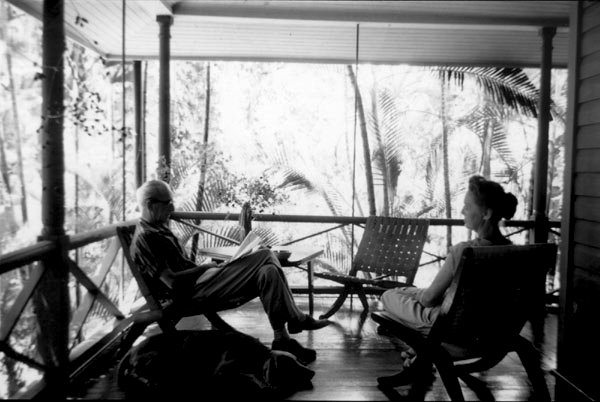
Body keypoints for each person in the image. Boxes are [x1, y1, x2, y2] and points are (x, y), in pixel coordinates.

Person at [130, 179, 331, 365]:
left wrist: (208, 269)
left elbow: (179, 269)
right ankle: (297, 319)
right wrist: (203, 268)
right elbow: (171, 282)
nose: (173, 208)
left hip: (202, 282)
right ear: (149, 205)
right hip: (189, 293)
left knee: (268, 272)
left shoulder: (158, 230)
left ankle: (282, 339)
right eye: (168, 203)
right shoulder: (146, 237)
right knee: (265, 254)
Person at [378, 175, 518, 383]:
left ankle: (423, 350)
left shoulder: (466, 251)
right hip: (493, 332)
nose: (462, 211)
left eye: (467, 206)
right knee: (411, 292)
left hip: (455, 331)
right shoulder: (515, 253)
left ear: (486, 213)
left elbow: (428, 300)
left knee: (388, 296)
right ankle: (421, 352)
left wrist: (420, 296)